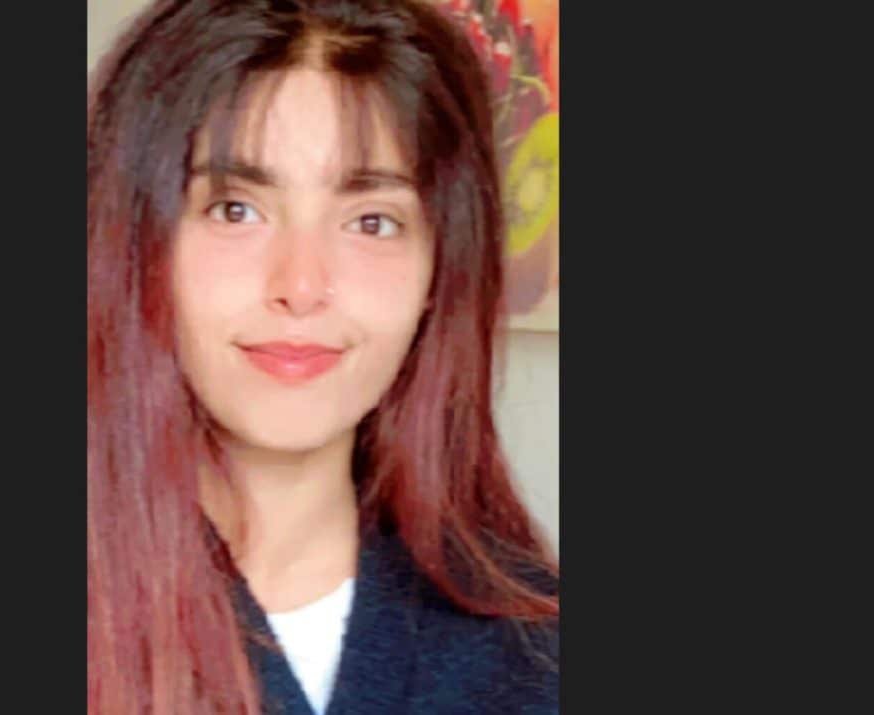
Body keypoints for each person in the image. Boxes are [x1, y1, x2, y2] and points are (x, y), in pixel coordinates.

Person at [87, 1, 559, 712]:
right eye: (234, 209)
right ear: (133, 243)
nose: (302, 287)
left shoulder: (534, 654)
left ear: (439, 271)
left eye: (371, 221)